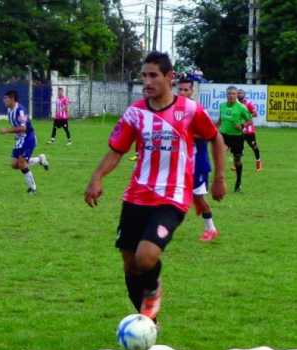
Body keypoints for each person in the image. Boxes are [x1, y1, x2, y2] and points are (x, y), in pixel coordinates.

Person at [85, 51, 228, 321]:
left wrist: (219, 178)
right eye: (144, 75)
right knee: (130, 265)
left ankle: (153, 292)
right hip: (136, 197)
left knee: (146, 258)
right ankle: (147, 323)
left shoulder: (189, 110)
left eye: (153, 75)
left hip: (171, 198)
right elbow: (116, 150)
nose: (147, 81)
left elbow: (215, 138)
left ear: (169, 77)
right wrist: (97, 177)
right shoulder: (135, 113)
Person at [177, 78, 219, 241]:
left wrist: (188, 134)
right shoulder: (175, 110)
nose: (183, 93)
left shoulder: (199, 111)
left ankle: (211, 228)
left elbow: (210, 135)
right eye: (180, 89)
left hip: (198, 162)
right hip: (180, 161)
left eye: (186, 90)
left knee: (198, 198)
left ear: (192, 91)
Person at [0, 90, 49, 194]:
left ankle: (33, 188)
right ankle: (40, 159)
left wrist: (7, 130)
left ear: (12, 98)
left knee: (22, 163)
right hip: (19, 139)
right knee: (14, 164)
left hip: (28, 138)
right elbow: (16, 126)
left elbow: (23, 128)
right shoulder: (9, 110)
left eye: (6, 98)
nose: (4, 100)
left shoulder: (20, 110)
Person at [219, 86, 253, 192]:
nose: (231, 96)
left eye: (233, 94)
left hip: (237, 137)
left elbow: (249, 120)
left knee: (237, 160)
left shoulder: (241, 107)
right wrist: (213, 128)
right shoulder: (222, 106)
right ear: (226, 95)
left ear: (236, 95)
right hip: (223, 135)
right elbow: (220, 120)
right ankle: (219, 181)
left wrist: (242, 126)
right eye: (229, 94)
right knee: (220, 156)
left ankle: (238, 183)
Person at [237, 89, 263, 171]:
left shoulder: (248, 103)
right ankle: (237, 163)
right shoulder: (236, 105)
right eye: (238, 93)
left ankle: (258, 162)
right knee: (238, 147)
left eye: (241, 93)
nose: (240, 95)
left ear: (244, 95)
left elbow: (255, 114)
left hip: (249, 130)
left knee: (254, 146)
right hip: (240, 129)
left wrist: (247, 117)